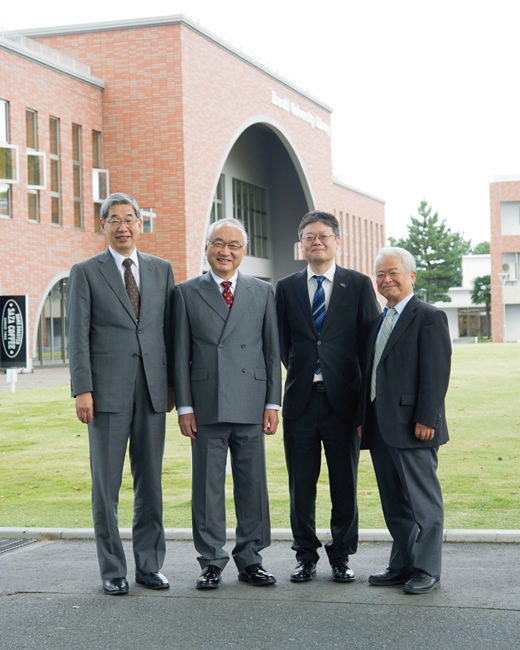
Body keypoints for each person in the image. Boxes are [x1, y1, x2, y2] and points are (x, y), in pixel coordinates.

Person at [66, 192, 175, 596]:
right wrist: (83, 389)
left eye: (130, 218)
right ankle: (113, 569)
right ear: (103, 225)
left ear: (140, 224)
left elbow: (169, 333)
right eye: (115, 219)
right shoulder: (85, 271)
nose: (123, 225)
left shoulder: (162, 270)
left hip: (151, 391)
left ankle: (150, 565)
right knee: (106, 486)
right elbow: (77, 336)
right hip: (105, 395)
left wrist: (171, 386)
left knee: (150, 483)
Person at [173, 217, 281, 590]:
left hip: (252, 402)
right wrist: (184, 407)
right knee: (207, 486)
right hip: (206, 403)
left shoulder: (262, 291)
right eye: (218, 243)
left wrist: (273, 402)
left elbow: (271, 352)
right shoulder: (186, 292)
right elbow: (179, 355)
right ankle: (211, 561)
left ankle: (251, 558)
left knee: (252, 483)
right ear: (206, 248)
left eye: (234, 245)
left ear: (244, 252)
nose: (225, 251)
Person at [275, 210, 380, 583]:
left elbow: (369, 347)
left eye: (323, 236)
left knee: (344, 483)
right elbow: (284, 344)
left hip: (344, 404)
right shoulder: (285, 288)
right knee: (300, 484)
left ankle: (341, 555)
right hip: (301, 401)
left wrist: (364, 408)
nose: (316, 242)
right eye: (308, 237)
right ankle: (305, 555)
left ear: (337, 242)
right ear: (300, 245)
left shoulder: (359, 285)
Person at [359, 246, 451, 595]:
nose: (386, 279)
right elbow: (371, 375)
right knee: (395, 503)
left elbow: (436, 372)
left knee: (423, 503)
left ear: (411, 276)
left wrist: (427, 417)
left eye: (393, 272)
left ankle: (427, 569)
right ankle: (402, 564)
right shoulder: (377, 322)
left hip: (415, 426)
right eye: (380, 274)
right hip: (381, 428)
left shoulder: (429, 316)